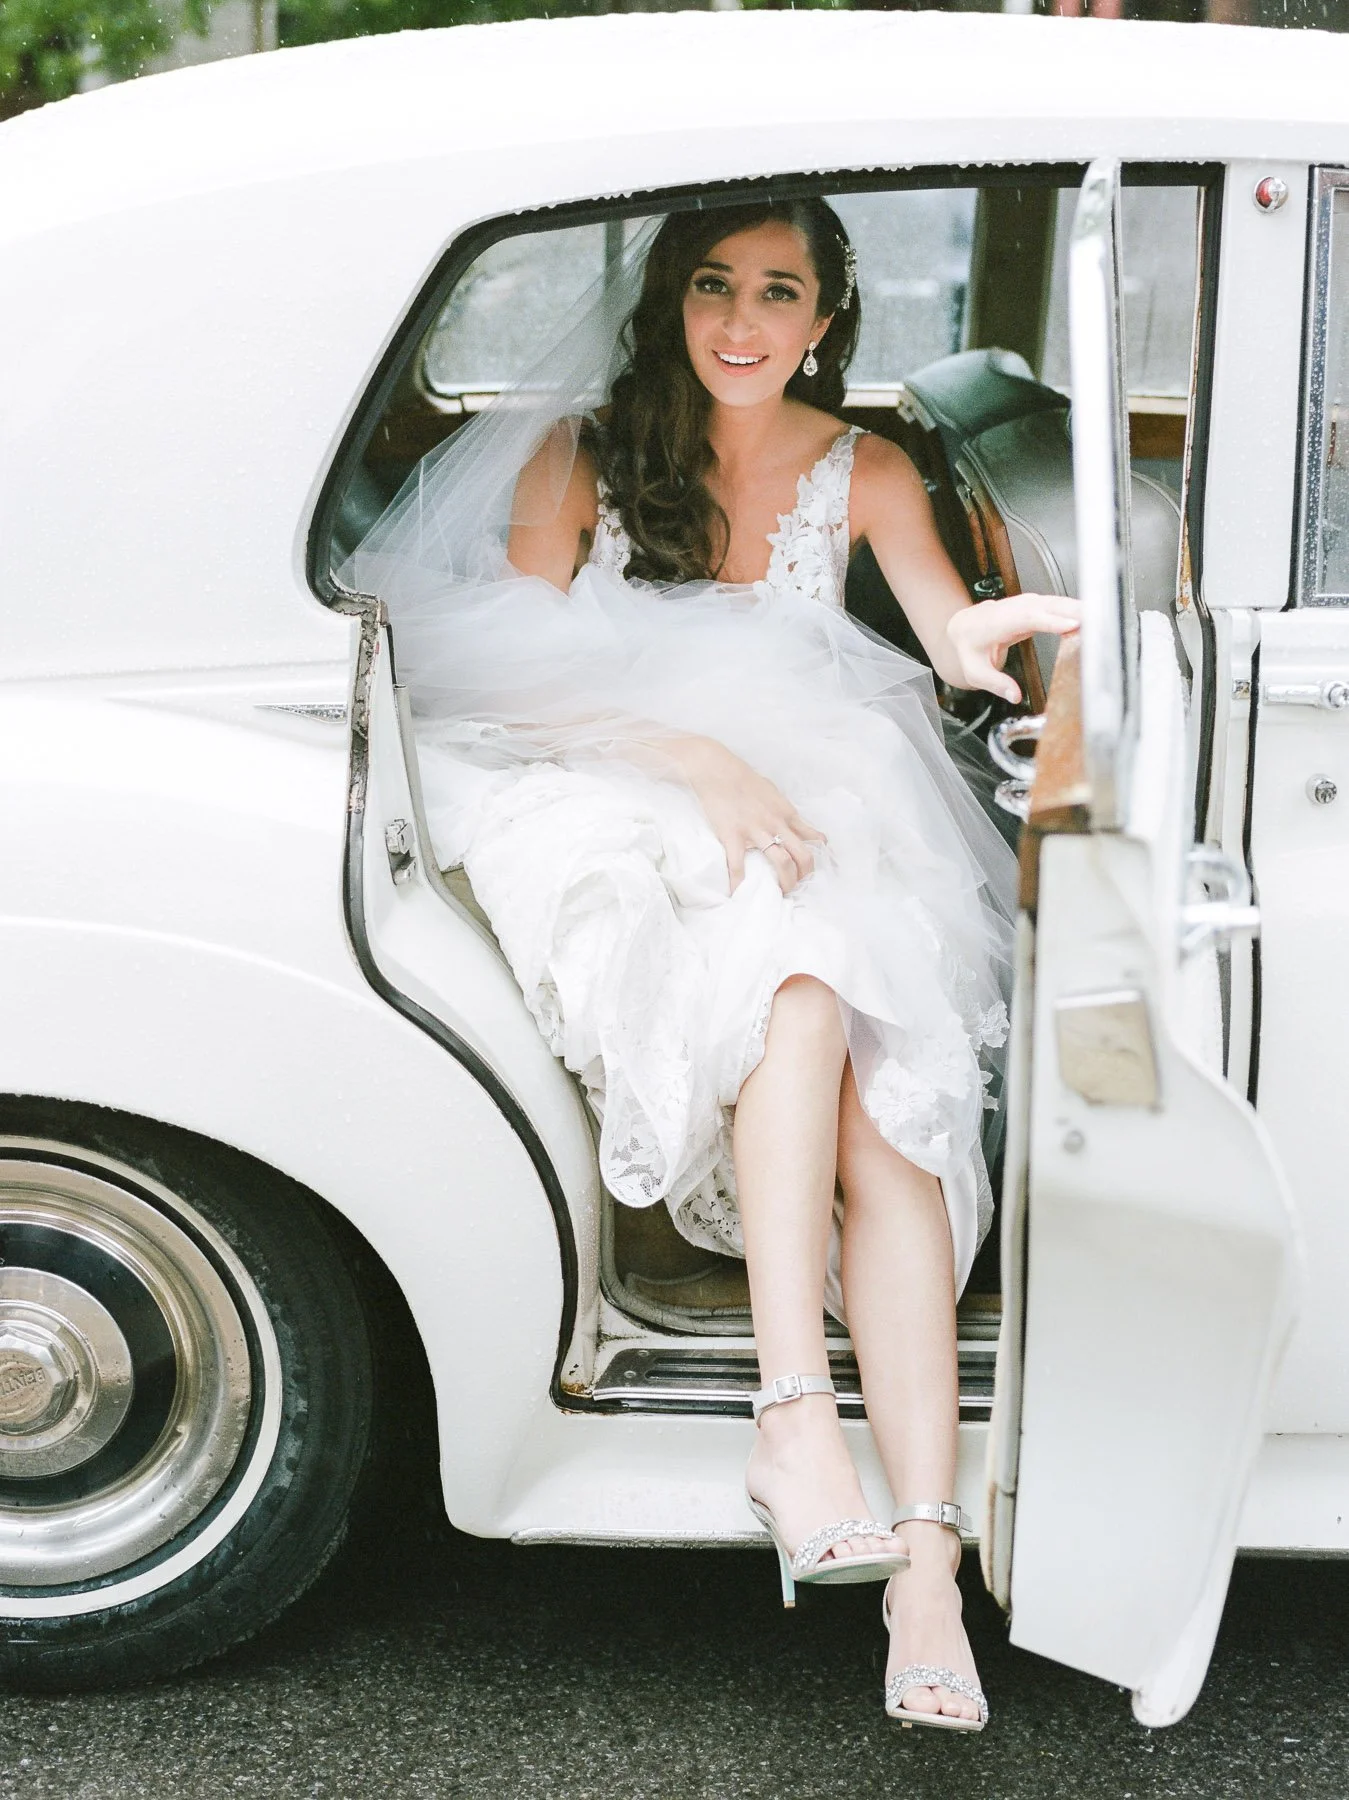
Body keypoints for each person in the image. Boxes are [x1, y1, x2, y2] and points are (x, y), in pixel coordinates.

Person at [343, 197, 1080, 1732]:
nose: (742, 323)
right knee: (803, 985)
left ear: (827, 319)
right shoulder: (587, 460)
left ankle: (925, 1567)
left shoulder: (864, 467)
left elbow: (944, 630)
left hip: (816, 804)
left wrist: (990, 629)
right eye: (713, 287)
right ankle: (799, 1426)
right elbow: (496, 682)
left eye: (780, 294)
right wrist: (690, 759)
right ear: (675, 304)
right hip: (609, 794)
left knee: (899, 1129)